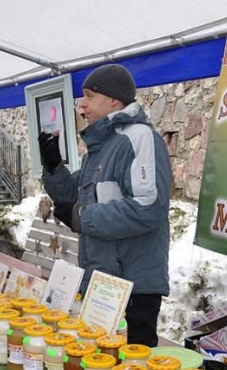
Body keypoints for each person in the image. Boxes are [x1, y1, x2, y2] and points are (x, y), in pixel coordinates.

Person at [40, 64, 171, 348]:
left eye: (89, 96)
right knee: (99, 365)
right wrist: (52, 165)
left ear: (114, 99)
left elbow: (149, 208)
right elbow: (71, 194)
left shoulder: (139, 138)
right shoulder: (101, 147)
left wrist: (82, 218)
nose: (82, 104)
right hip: (101, 280)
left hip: (132, 286)